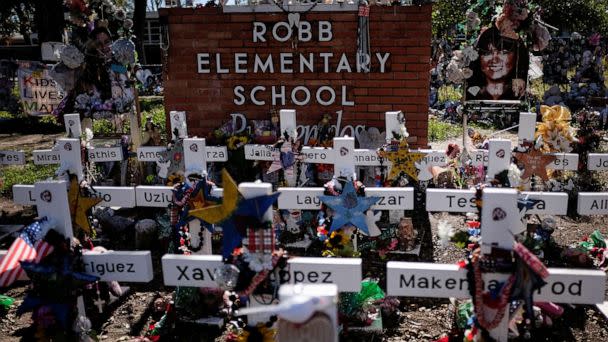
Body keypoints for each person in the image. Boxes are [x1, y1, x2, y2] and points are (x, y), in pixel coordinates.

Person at [467, 25, 529, 101]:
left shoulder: (520, 94)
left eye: (503, 52)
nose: (495, 60)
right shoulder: (472, 92)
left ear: (517, 56)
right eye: (487, 53)